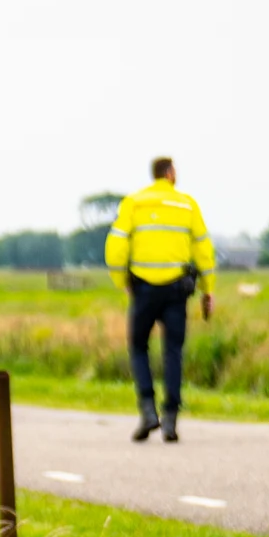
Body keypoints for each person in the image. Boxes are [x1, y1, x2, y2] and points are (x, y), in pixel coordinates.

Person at [102, 154, 216, 442]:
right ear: (169, 173)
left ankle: (147, 412)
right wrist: (208, 289)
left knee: (138, 347)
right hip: (177, 290)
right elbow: (203, 248)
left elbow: (116, 245)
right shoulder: (187, 204)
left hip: (143, 289)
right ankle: (170, 421)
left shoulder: (134, 202)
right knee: (173, 351)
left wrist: (121, 281)